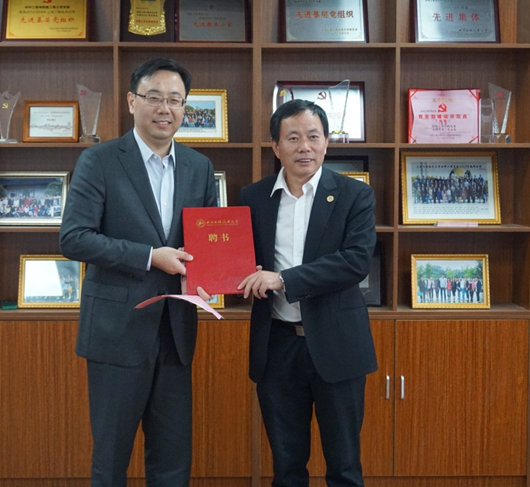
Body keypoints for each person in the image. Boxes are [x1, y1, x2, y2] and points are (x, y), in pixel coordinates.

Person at [59, 57, 217, 487]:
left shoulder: (199, 167)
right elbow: (74, 238)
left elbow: (206, 241)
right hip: (117, 331)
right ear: (132, 101)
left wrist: (219, 271)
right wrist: (150, 256)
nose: (165, 109)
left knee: (172, 459)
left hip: (175, 331)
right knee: (111, 459)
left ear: (184, 108)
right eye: (154, 97)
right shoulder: (100, 160)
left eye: (176, 100)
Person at [237, 99, 378, 486]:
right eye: (293, 138)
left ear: (327, 142)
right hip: (278, 346)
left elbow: (355, 262)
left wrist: (283, 279)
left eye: (313, 137)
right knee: (286, 467)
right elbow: (241, 261)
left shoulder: (355, 195)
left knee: (344, 467)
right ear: (275, 146)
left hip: (338, 346)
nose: (305, 147)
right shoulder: (253, 197)